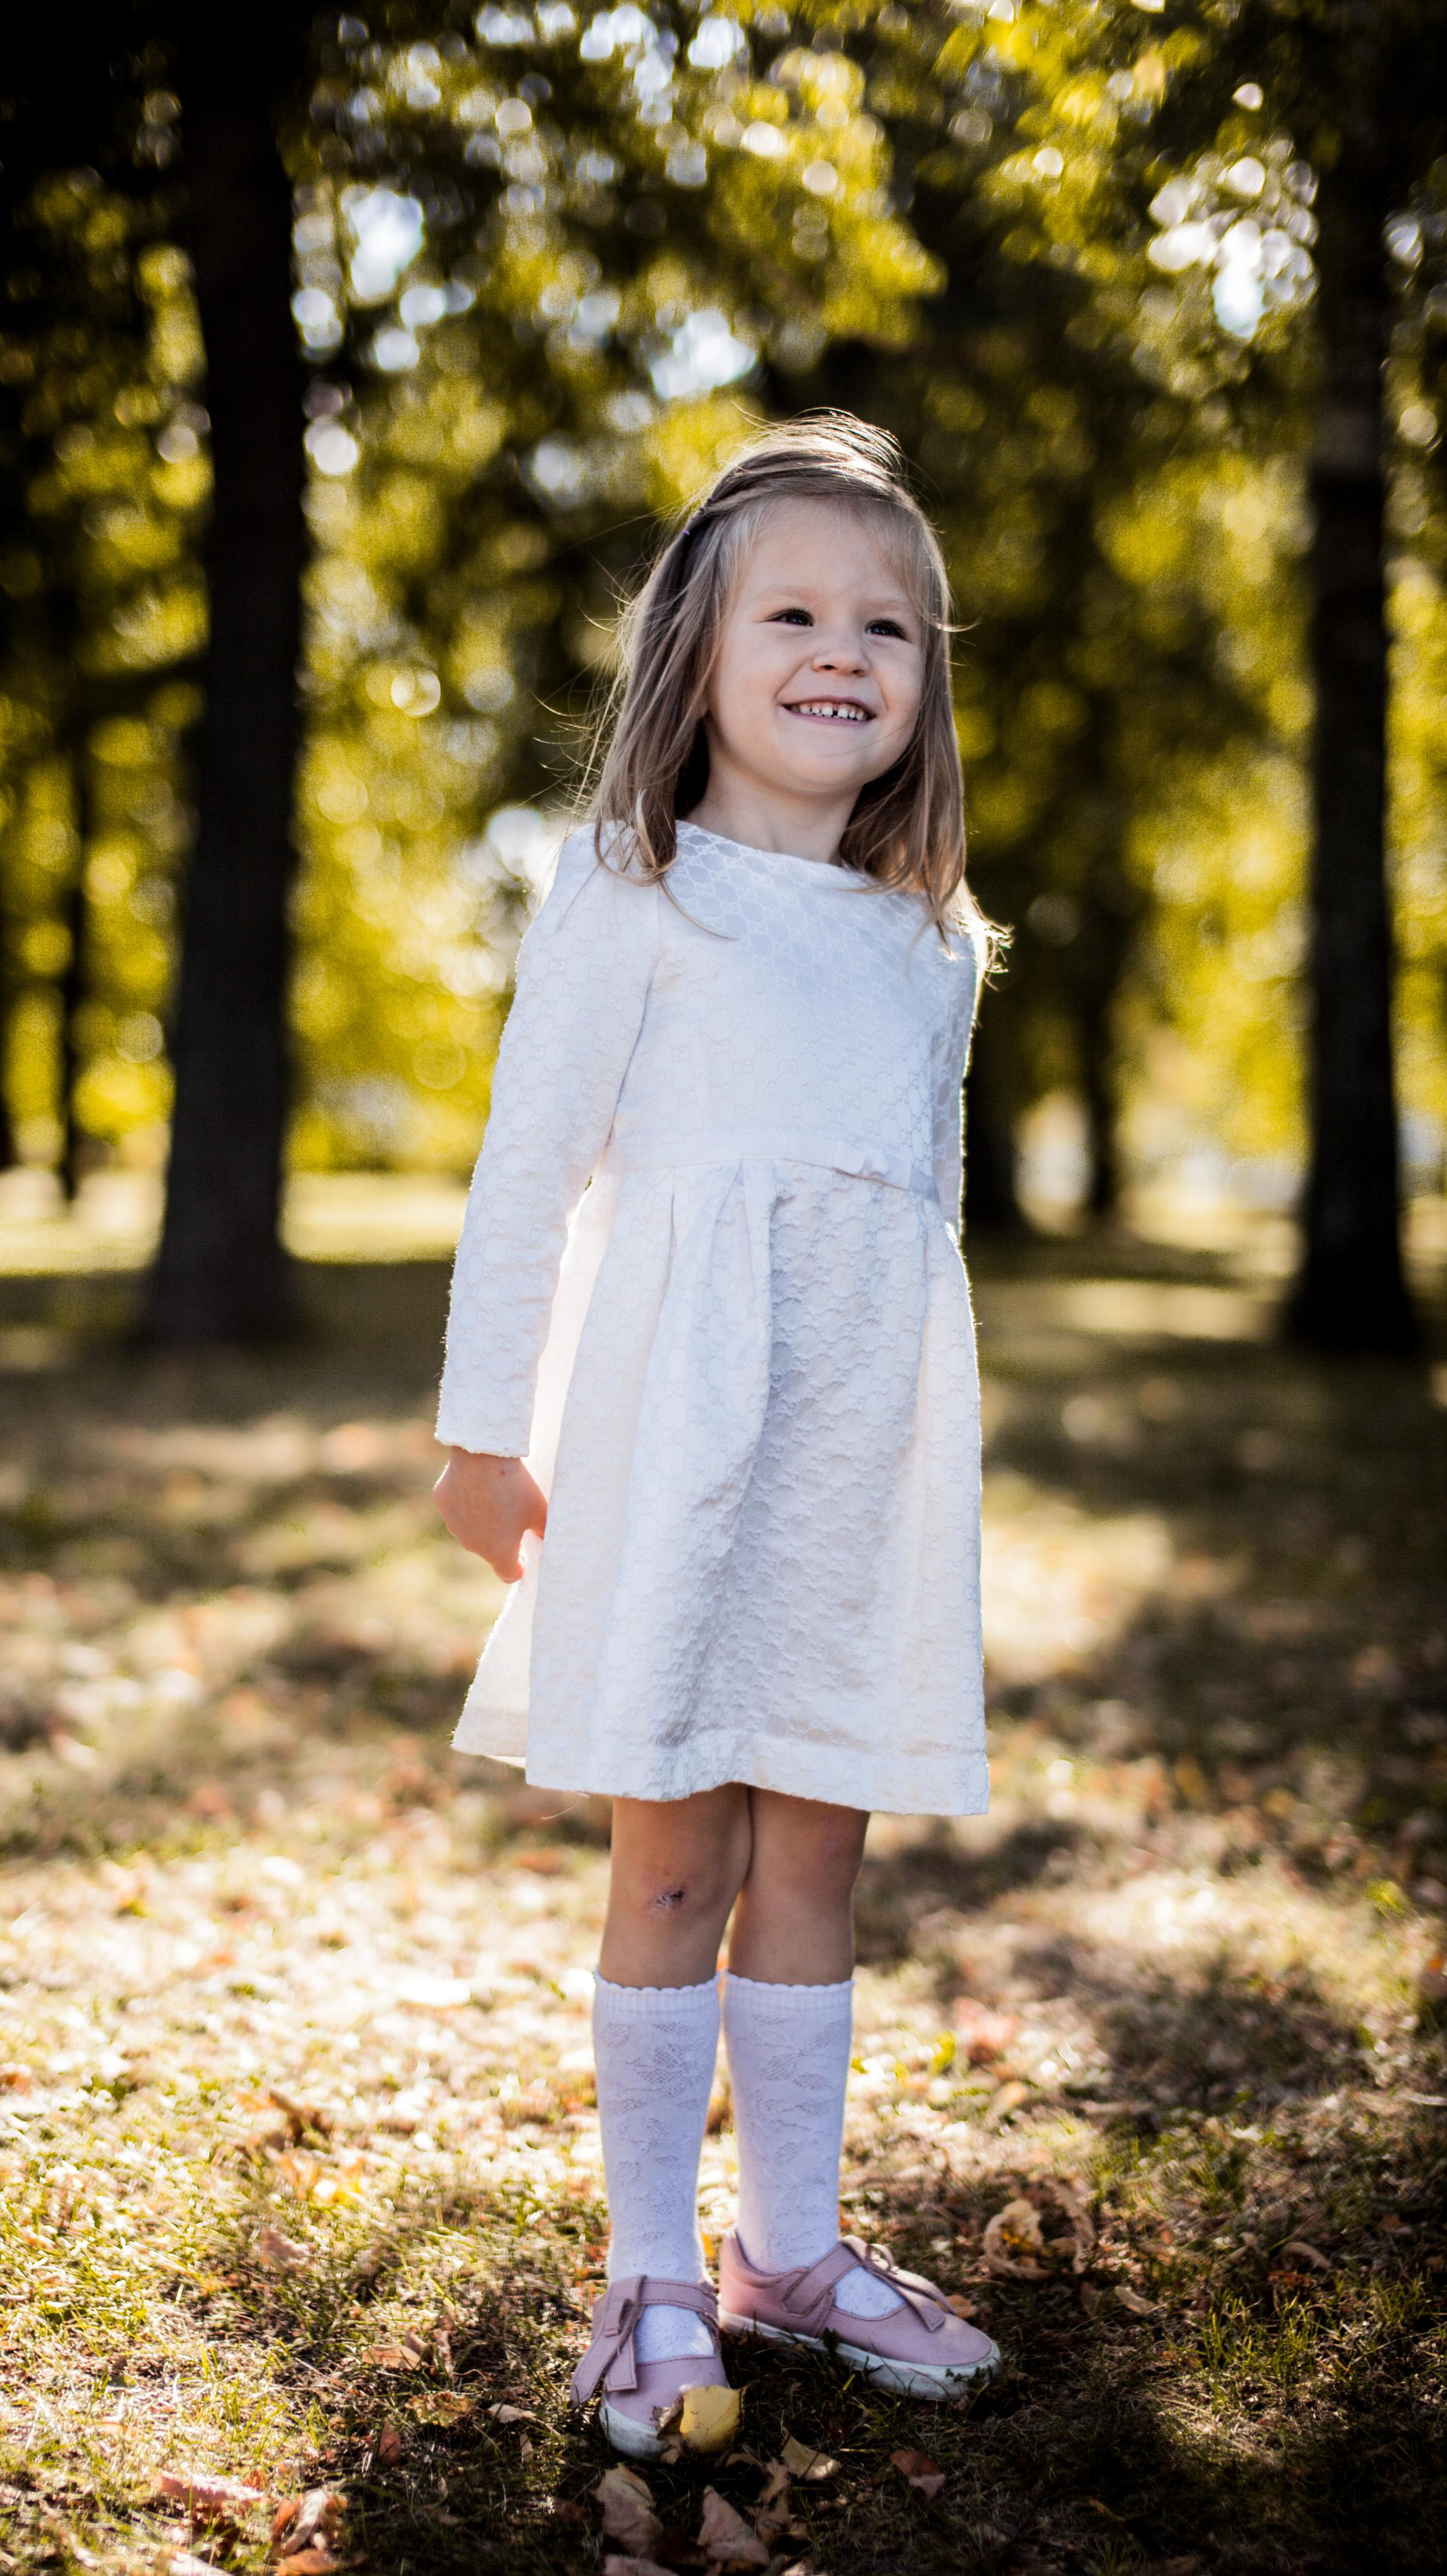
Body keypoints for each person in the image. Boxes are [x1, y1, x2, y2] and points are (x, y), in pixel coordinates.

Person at [432, 415, 1002, 2457]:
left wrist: (924, 1485)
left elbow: (907, 1244)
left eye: (891, 623)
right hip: (674, 1451)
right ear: (699, 649)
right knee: (675, 1853)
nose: (845, 648)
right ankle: (648, 2270)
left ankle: (791, 2245)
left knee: (820, 1843)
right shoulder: (631, 887)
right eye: (796, 611)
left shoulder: (930, 937)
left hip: (856, 1463)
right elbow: (526, 1174)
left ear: (924, 680)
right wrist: (482, 1434)